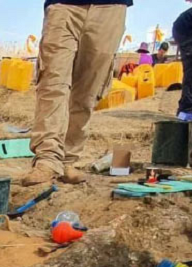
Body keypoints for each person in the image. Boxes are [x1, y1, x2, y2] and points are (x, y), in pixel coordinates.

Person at [22, 1, 131, 187]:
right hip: (64, 5)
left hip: (111, 8)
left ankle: (67, 160)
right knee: (53, 82)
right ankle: (47, 158)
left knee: (88, 90)